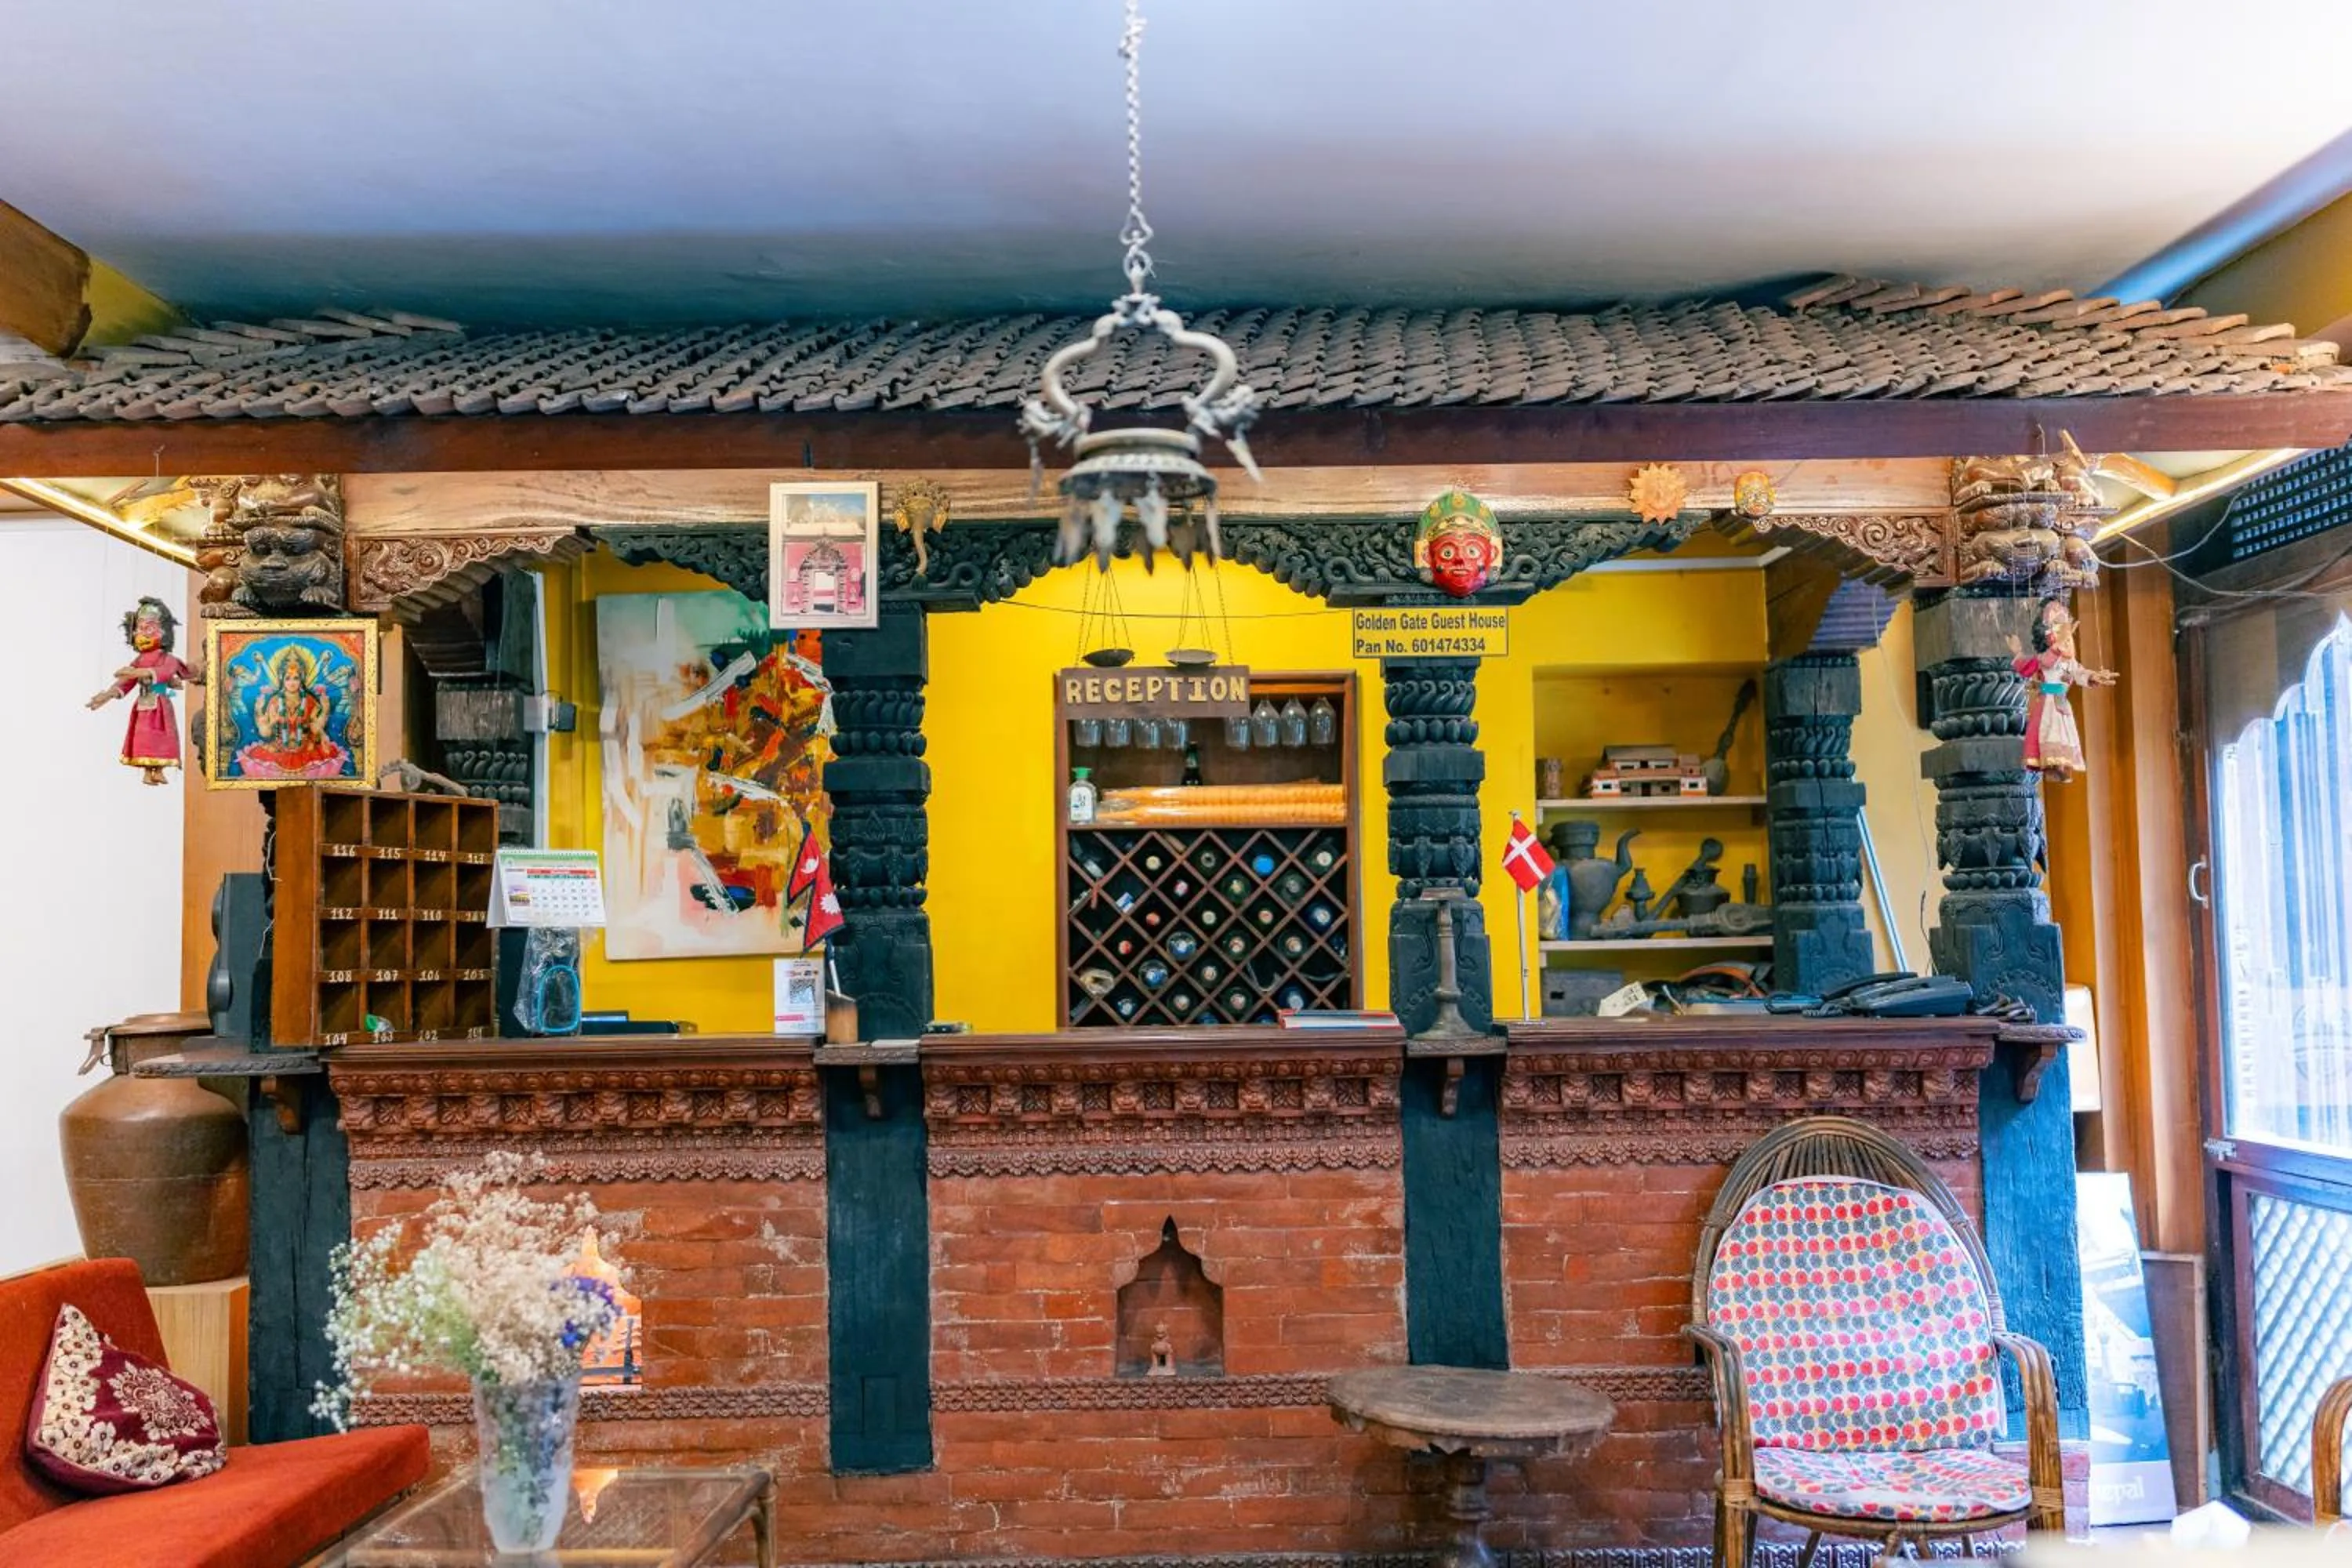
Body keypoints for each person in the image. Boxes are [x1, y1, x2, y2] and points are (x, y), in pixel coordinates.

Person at [88, 597, 198, 786]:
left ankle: (159, 770)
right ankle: (148, 772)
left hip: (160, 705)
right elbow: (125, 683)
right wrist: (106, 696)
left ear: (163, 632)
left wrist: (135, 672)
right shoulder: (139, 660)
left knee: (161, 737)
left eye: (149, 629)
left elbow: (164, 672)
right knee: (144, 738)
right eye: (139, 630)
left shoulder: (168, 659)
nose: (142, 635)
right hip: (142, 705)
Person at [2009, 597, 2116, 781]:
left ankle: (2061, 766)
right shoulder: (2046, 656)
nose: (2066, 634)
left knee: (2064, 735)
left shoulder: (2067, 660)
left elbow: (2078, 672)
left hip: (2061, 702)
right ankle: (2051, 764)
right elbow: (2043, 663)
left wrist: (2093, 676)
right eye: (2058, 624)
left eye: (2066, 624)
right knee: (2049, 731)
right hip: (2048, 703)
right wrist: (2055, 647)